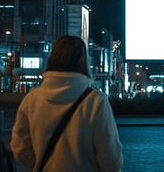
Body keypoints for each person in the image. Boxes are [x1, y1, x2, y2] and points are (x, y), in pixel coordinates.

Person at [10, 35, 123, 172]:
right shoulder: (95, 101)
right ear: (83, 62)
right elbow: (110, 161)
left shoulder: (31, 100)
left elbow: (20, 150)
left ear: (53, 59)